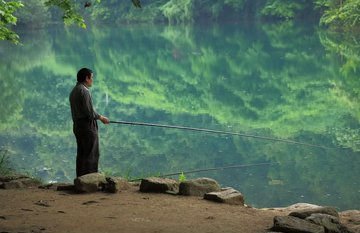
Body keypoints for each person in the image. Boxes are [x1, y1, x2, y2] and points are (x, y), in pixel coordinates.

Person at [69, 68, 110, 177]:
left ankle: (81, 179)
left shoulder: (74, 90)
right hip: (87, 128)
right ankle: (90, 181)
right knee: (91, 154)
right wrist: (101, 118)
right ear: (87, 78)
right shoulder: (84, 91)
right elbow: (90, 112)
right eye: (91, 77)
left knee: (82, 154)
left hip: (78, 126)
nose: (92, 80)